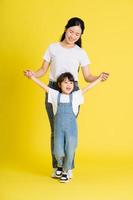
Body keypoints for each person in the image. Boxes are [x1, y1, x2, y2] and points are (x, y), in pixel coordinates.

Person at [24, 17, 109, 178]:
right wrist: (32, 74)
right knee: (55, 130)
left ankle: (68, 168)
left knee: (69, 131)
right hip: (53, 88)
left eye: (77, 34)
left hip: (72, 89)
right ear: (65, 29)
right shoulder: (52, 48)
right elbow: (42, 70)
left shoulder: (81, 52)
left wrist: (99, 77)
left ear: (80, 35)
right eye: (71, 31)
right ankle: (57, 167)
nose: (73, 36)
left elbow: (88, 76)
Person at [25, 72, 106, 183]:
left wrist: (99, 79)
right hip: (58, 131)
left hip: (71, 131)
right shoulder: (54, 95)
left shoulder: (76, 96)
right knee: (58, 151)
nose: (68, 85)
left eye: (71, 82)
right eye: (65, 82)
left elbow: (87, 88)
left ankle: (65, 171)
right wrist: (32, 77)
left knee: (70, 150)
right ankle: (59, 165)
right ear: (59, 84)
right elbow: (43, 86)